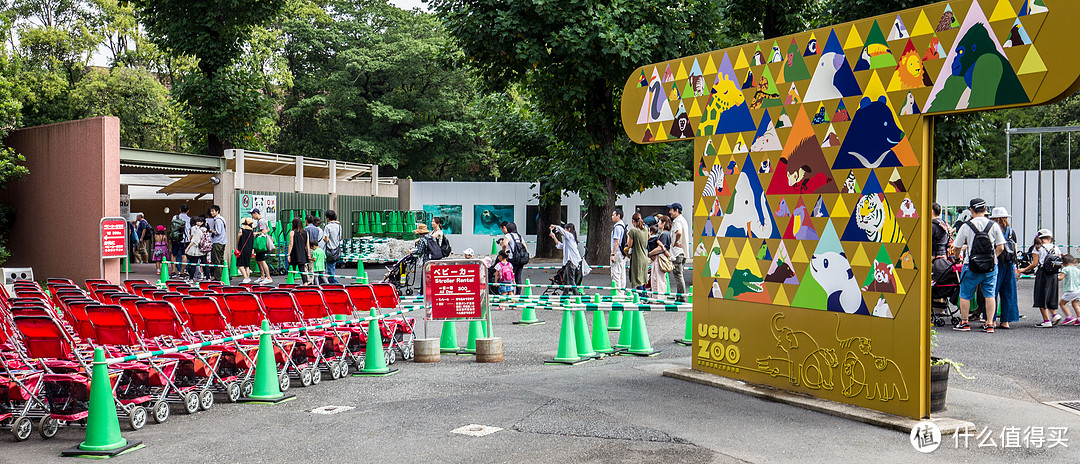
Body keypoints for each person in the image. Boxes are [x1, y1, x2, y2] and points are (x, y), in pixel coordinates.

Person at [951, 198, 1005, 333]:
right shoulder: (993, 225)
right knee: (990, 294)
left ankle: (964, 323)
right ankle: (989, 324)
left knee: (965, 294)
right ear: (986, 210)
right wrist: (993, 258)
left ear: (971, 210)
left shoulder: (966, 226)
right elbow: (1001, 247)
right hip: (991, 267)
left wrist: (957, 258)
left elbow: (956, 246)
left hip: (970, 265)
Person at [1018, 229, 1071, 327]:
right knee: (1051, 295)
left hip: (1043, 274)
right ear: (1050, 238)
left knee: (1041, 296)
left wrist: (1022, 270)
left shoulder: (1037, 248)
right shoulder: (1056, 248)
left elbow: (1034, 264)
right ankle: (1054, 314)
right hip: (1054, 274)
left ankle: (1046, 320)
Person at [989, 207, 1019, 329]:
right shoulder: (1011, 231)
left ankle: (992, 319)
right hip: (1009, 263)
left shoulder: (993, 229)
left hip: (997, 263)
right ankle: (1005, 321)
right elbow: (1015, 249)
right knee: (1009, 293)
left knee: (992, 292)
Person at [550, 223, 583, 292]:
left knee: (571, 280)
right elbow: (561, 246)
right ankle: (565, 294)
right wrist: (554, 237)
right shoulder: (567, 240)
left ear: (569, 229)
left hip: (572, 261)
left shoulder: (570, 236)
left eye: (565, 228)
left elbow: (563, 232)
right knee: (565, 279)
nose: (564, 230)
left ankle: (576, 294)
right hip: (568, 262)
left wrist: (556, 226)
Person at [667, 203, 689, 301]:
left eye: (671, 210)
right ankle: (680, 295)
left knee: (678, 274)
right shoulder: (683, 220)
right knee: (679, 274)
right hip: (683, 252)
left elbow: (679, 232)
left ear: (676, 210)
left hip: (677, 252)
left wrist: (676, 241)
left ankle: (681, 296)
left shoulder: (677, 221)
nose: (669, 212)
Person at [500, 222, 528, 295]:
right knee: (518, 277)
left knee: (510, 276)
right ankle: (518, 294)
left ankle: (511, 294)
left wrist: (505, 250)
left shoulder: (508, 235)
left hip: (512, 259)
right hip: (520, 260)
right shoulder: (519, 236)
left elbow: (505, 244)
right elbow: (525, 247)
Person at [649, 215, 673, 294]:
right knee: (658, 279)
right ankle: (659, 297)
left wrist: (650, 253)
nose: (658, 223)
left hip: (660, 258)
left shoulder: (664, 234)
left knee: (658, 279)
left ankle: (659, 298)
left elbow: (660, 248)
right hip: (661, 257)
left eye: (659, 222)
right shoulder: (665, 234)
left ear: (664, 223)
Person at [626, 213, 649, 292]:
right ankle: (643, 297)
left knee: (638, 280)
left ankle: (640, 299)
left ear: (633, 221)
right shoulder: (645, 229)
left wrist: (628, 236)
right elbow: (648, 237)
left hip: (637, 257)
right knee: (643, 280)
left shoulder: (633, 230)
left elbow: (629, 244)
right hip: (645, 257)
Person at [251, 208, 273, 285]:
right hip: (261, 243)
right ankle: (262, 276)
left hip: (261, 243)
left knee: (262, 260)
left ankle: (268, 277)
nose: (252, 216)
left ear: (256, 213)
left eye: (252, 214)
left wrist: (256, 233)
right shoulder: (261, 220)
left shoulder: (261, 221)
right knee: (258, 260)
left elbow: (264, 231)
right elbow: (268, 229)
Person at [287, 217, 310, 284]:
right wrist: (308, 253)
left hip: (294, 253)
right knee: (302, 270)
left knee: (292, 269)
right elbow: (307, 245)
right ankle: (305, 283)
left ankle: (291, 283)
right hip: (302, 253)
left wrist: (288, 254)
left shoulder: (292, 232)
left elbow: (290, 245)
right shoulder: (306, 233)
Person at [170, 204, 192, 275]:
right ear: (188, 211)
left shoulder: (175, 217)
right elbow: (190, 231)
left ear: (180, 210)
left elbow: (172, 228)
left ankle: (173, 271)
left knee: (174, 254)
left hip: (176, 238)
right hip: (185, 239)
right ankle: (182, 272)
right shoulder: (189, 219)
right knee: (184, 255)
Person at [321, 210, 342, 284]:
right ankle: (331, 283)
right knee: (331, 267)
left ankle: (336, 283)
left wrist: (324, 239)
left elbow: (326, 239)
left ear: (327, 218)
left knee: (330, 269)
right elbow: (339, 237)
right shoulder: (339, 226)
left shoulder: (327, 227)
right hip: (336, 249)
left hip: (330, 249)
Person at [1058, 255, 1080, 326]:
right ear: (1074, 261)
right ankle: (1079, 318)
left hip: (1070, 290)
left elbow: (1061, 278)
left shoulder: (1065, 269)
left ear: (1063, 263)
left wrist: (1054, 277)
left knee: (1062, 303)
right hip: (1078, 290)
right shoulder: (1077, 269)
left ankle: (1069, 316)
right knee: (1075, 304)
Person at [207, 205, 227, 281]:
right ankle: (224, 275)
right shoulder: (222, 219)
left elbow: (218, 232)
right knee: (221, 259)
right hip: (223, 241)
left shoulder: (218, 220)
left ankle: (218, 277)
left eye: (213, 211)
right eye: (211, 211)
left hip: (218, 241)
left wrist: (211, 230)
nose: (211, 213)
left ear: (217, 211)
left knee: (217, 260)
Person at [185, 216, 208, 282]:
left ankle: (191, 278)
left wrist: (188, 248)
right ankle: (207, 277)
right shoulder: (206, 229)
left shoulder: (198, 230)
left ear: (202, 222)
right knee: (204, 264)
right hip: (204, 249)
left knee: (193, 264)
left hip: (197, 250)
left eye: (199, 221)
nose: (197, 222)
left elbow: (194, 240)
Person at [610, 209, 627, 294]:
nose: (612, 217)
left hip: (617, 253)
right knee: (622, 273)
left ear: (618, 215)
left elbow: (616, 241)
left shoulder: (617, 227)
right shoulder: (623, 226)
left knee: (616, 273)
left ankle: (618, 293)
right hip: (623, 253)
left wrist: (612, 254)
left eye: (613, 215)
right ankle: (622, 292)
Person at [236, 217, 255, 283]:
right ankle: (248, 278)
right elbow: (252, 241)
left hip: (242, 249)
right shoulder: (251, 232)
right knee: (247, 265)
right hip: (249, 249)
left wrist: (237, 246)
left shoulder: (241, 231)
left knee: (239, 264)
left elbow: (238, 240)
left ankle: (245, 277)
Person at [304, 215, 321, 280]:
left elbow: (306, 240)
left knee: (306, 265)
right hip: (316, 247)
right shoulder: (316, 229)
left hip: (309, 247)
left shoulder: (306, 229)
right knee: (312, 265)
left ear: (306, 221)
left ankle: (309, 280)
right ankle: (313, 279)